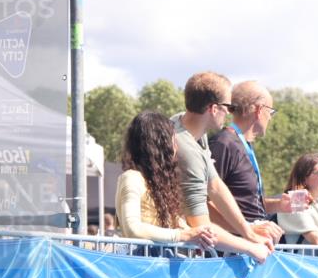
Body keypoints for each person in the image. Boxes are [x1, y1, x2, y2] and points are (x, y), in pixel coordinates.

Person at [116, 112, 270, 262]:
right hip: (141, 266)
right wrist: (183, 235)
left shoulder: (160, 186)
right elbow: (133, 229)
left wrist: (249, 242)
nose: (176, 146)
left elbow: (194, 231)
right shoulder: (132, 178)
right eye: (173, 140)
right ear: (161, 144)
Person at [172, 72, 275, 253]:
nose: (229, 112)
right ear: (213, 109)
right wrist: (251, 247)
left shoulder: (186, 124)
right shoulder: (187, 151)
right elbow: (202, 227)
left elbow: (215, 185)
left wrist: (248, 232)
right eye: (227, 106)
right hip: (164, 252)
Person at [207, 80, 297, 242]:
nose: (270, 118)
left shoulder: (242, 144)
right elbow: (203, 203)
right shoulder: (224, 143)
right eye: (271, 112)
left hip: (249, 246)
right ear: (259, 110)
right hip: (230, 251)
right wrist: (246, 229)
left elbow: (244, 204)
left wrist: (278, 205)